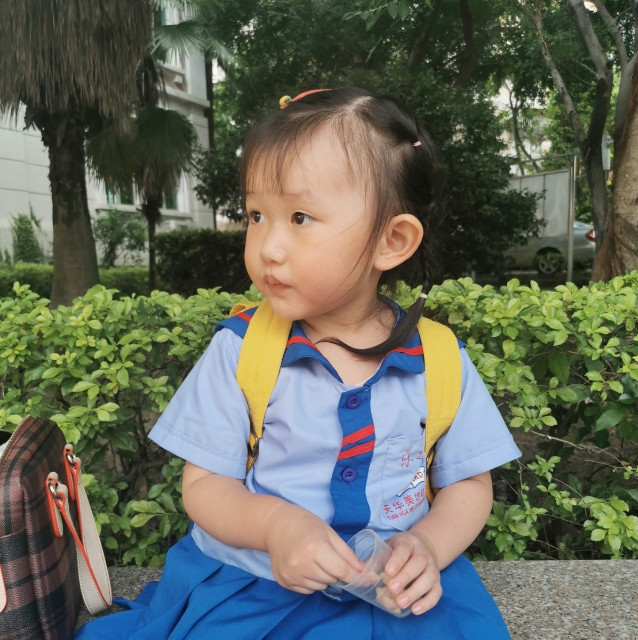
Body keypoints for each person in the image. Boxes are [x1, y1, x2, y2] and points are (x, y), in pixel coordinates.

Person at [76, 87, 521, 639]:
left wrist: (428, 545)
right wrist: (276, 527)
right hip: (256, 583)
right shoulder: (242, 350)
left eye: (300, 217)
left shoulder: (438, 358)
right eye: (256, 215)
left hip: (396, 591)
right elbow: (205, 486)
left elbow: (469, 484)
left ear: (392, 240)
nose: (268, 247)